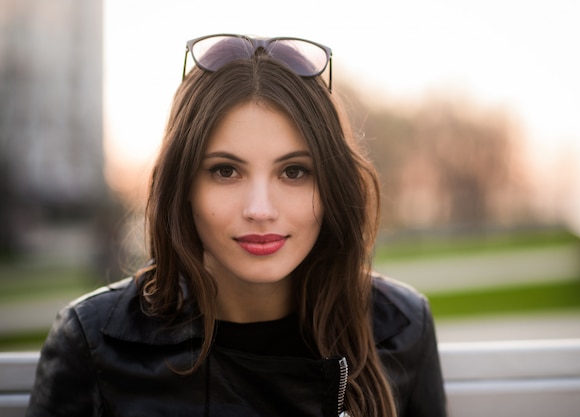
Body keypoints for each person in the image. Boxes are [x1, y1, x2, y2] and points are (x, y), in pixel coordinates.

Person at [27, 34, 447, 417]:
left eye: (294, 172)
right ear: (184, 185)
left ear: (333, 185)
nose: (260, 209)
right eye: (226, 171)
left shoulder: (399, 327)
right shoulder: (94, 344)